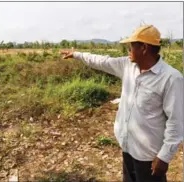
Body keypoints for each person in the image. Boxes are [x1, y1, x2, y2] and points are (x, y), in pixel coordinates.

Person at [60, 25, 184, 182]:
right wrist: (77, 54)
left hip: (148, 155)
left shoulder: (171, 78)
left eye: (131, 46)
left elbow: (176, 122)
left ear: (144, 48)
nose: (128, 50)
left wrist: (164, 157)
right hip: (128, 145)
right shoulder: (127, 66)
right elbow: (102, 61)